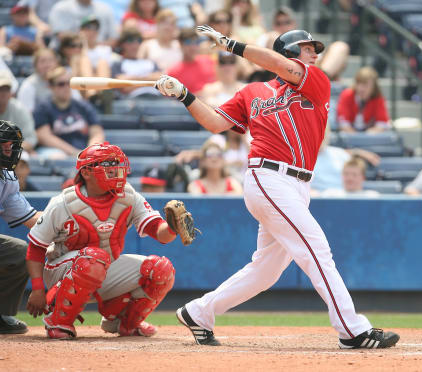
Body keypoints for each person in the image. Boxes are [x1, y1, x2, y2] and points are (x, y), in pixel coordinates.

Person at [154, 27, 400, 348]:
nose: (315, 54)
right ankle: (352, 329)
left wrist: (232, 45)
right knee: (316, 249)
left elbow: (280, 65)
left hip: (297, 184)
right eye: (308, 48)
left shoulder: (316, 81)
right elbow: (215, 123)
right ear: (290, 50)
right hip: (268, 177)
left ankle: (199, 312)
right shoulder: (252, 91)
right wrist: (185, 95)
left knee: (266, 271)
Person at [25, 142, 182, 339]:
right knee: (94, 258)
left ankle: (126, 323)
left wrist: (172, 228)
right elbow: (36, 248)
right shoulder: (62, 203)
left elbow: (160, 233)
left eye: (117, 165)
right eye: (107, 166)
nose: (116, 171)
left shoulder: (129, 195)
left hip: (102, 266)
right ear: (87, 172)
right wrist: (38, 289)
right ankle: (58, 321)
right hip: (61, 271)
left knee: (161, 270)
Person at [0, 120, 41, 334]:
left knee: (19, 252)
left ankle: (0, 315)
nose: (9, 151)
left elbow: (32, 219)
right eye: (3, 146)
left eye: (10, 146)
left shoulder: (6, 179)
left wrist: (68, 214)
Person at [33, 66, 105, 159]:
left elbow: (97, 132)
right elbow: (44, 137)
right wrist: (74, 153)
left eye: (69, 83)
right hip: (56, 152)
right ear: (51, 87)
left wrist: (90, 152)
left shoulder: (83, 106)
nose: (66, 87)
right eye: (61, 84)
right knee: (58, 156)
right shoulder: (43, 108)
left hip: (83, 151)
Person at [311, 124, 380, 193]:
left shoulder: (339, 153)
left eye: (324, 132)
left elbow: (356, 172)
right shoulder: (303, 159)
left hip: (344, 197)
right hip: (316, 199)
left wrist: (359, 152)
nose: (322, 136)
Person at [336, 66, 391, 133]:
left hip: (370, 138)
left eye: (366, 85)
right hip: (349, 136)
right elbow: (343, 123)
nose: (361, 89)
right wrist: (355, 136)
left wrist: (369, 134)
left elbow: (382, 123)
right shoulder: (347, 95)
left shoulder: (378, 98)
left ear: (374, 87)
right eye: (359, 84)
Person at [111, 28, 163, 98]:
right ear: (122, 44)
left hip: (157, 100)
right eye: (130, 41)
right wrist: (150, 79)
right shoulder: (118, 64)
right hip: (132, 103)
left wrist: (133, 80)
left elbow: (162, 81)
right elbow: (123, 87)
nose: (135, 45)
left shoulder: (150, 63)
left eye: (139, 41)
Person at [166, 28, 217, 95]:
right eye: (188, 42)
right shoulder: (174, 72)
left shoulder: (209, 61)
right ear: (180, 44)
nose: (193, 46)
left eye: (196, 42)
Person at [49, 0, 118, 46]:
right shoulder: (61, 8)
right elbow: (60, 36)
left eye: (94, 28)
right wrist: (83, 44)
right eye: (88, 28)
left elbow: (113, 39)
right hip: (68, 54)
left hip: (99, 54)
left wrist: (94, 47)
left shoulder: (105, 9)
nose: (91, 31)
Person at [0, 71, 38, 153]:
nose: (3, 93)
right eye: (0, 89)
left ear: (11, 92)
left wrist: (9, 149)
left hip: (13, 152)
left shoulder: (19, 109)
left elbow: (31, 139)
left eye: (6, 89)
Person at [17, 48, 58, 113]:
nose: (47, 65)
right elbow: (26, 114)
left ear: (56, 63)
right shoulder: (29, 85)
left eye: (50, 60)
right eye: (42, 61)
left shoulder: (63, 81)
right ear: (35, 65)